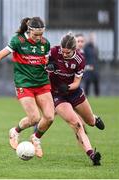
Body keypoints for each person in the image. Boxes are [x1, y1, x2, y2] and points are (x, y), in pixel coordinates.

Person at [0, 17, 55, 158]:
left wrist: (51, 65)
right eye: (36, 34)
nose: (39, 38)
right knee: (35, 118)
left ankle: (36, 138)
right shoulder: (17, 41)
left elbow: (48, 61)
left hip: (42, 83)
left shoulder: (45, 43)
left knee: (49, 117)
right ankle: (15, 131)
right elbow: (1, 54)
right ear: (29, 30)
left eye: (41, 34)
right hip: (24, 84)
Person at [47, 33, 105, 165]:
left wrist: (66, 87)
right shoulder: (54, 52)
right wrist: (48, 66)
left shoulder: (80, 59)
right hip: (57, 95)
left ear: (74, 50)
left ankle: (94, 118)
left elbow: (77, 83)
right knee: (76, 124)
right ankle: (92, 155)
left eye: (68, 53)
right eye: (63, 51)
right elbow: (42, 65)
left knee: (89, 121)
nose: (64, 54)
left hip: (73, 92)